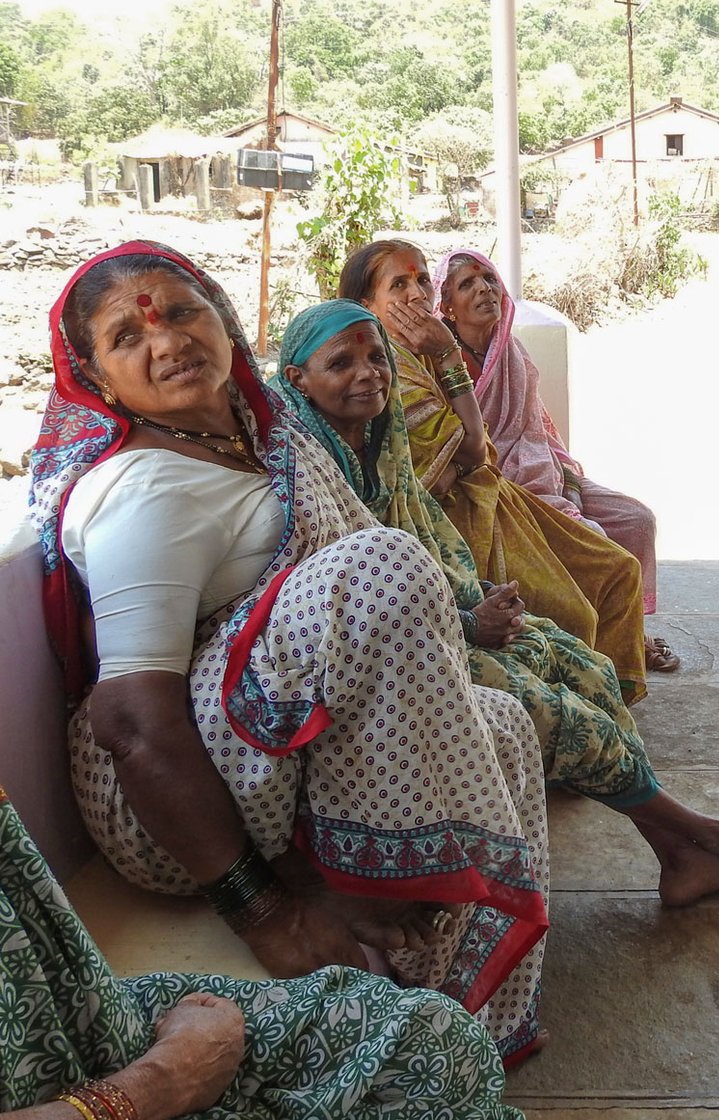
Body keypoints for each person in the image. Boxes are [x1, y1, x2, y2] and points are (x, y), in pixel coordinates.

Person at [28, 241, 549, 1067]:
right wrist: (269, 914)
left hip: (277, 743)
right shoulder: (147, 492)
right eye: (128, 337)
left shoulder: (265, 431)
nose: (167, 343)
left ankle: (458, 1032)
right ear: (96, 379)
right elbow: (130, 722)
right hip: (175, 799)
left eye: (183, 312)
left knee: (504, 724)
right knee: (382, 565)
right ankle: (356, 885)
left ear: (225, 320)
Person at [273, 300, 719, 906]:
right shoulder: (304, 469)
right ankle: (690, 836)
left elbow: (431, 533)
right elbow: (349, 598)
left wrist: (479, 604)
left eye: (376, 356)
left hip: (447, 613)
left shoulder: (380, 440)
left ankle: (672, 844)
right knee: (549, 706)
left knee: (584, 663)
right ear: (298, 379)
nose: (369, 372)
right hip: (383, 662)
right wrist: (465, 624)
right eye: (341, 363)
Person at [0, 784, 523, 1119]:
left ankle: (494, 1009)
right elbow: (132, 716)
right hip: (105, 1099)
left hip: (75, 1011)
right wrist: (164, 1080)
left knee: (438, 1037)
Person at [336, 240, 652, 700]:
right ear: (367, 304)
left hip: (498, 493)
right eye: (399, 285)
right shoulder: (392, 364)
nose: (416, 294)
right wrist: (448, 359)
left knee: (619, 568)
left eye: (422, 280)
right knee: (576, 614)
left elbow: (482, 450)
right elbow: (471, 448)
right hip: (456, 519)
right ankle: (582, 726)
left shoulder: (432, 349)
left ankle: (614, 707)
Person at [430, 248, 679, 673]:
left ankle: (631, 630)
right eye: (467, 284)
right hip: (498, 485)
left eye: (489, 279)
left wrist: (566, 476)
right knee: (593, 537)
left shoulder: (511, 351)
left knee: (637, 520)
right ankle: (610, 651)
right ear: (447, 306)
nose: (484, 289)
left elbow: (538, 426)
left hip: (546, 470)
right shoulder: (436, 363)